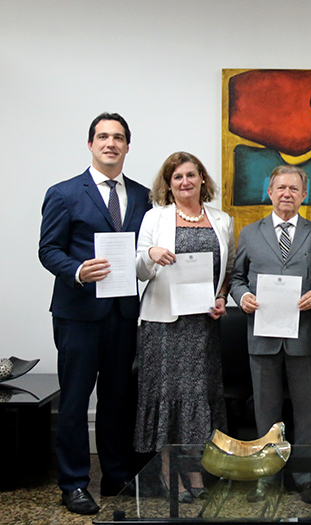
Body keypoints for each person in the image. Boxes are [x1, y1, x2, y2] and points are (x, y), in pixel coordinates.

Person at [39, 113, 151, 514]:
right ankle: (72, 483)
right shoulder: (64, 193)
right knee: (74, 400)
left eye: (118, 137)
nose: (110, 143)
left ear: (126, 146)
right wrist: (76, 270)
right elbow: (48, 249)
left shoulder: (141, 196)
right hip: (78, 313)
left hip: (123, 312)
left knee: (118, 400)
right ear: (90, 144)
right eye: (103, 136)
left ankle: (116, 475)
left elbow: (146, 248)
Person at [134, 152, 235, 502]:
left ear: (202, 179)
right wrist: (151, 255)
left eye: (191, 175)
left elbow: (228, 271)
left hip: (203, 324)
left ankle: (193, 469)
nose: (185, 182)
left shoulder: (222, 220)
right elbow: (138, 269)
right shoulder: (155, 218)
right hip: (164, 325)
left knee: (198, 398)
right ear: (168, 183)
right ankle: (167, 470)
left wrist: (222, 297)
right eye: (177, 177)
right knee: (168, 398)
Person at [228, 165, 311, 504]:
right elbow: (236, 278)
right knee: (266, 411)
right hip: (262, 335)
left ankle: (306, 477)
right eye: (280, 188)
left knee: (306, 411)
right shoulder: (250, 233)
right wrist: (242, 297)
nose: (287, 194)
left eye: (294, 189)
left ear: (304, 195)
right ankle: (266, 477)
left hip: (303, 335)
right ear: (270, 193)